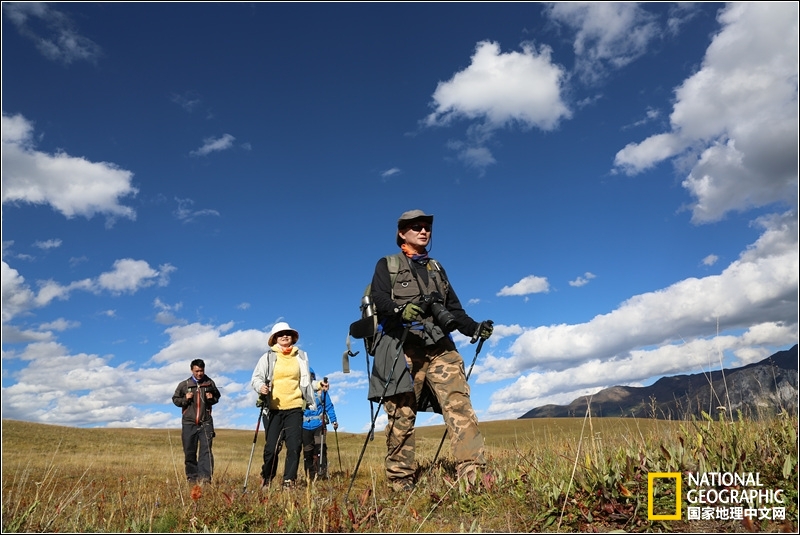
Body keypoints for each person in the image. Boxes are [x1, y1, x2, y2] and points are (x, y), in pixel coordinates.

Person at [367, 209, 493, 492]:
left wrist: (474, 328)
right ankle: (400, 480)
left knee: (459, 407)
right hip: (402, 347)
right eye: (416, 227)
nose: (423, 231)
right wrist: (400, 310)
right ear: (402, 233)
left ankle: (473, 478)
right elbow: (379, 298)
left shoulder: (436, 268)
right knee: (402, 413)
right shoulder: (387, 264)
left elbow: (454, 310)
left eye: (426, 227)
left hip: (440, 347)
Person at [251, 321, 316, 489]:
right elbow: (256, 378)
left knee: (294, 446)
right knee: (271, 449)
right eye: (280, 334)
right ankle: (267, 477)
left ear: (293, 337)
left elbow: (306, 381)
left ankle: (289, 481)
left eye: (287, 333)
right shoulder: (268, 357)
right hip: (273, 409)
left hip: (294, 407)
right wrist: (261, 387)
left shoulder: (301, 356)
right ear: (274, 339)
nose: (284, 336)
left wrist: (316, 389)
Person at [171, 359, 221, 484]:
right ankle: (192, 478)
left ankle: (205, 479)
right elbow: (175, 400)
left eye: (201, 371)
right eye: (197, 371)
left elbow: (217, 397)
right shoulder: (184, 385)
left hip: (206, 422)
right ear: (192, 370)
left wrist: (211, 398)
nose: (199, 373)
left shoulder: (209, 383)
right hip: (189, 422)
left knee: (206, 451)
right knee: (189, 451)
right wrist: (185, 399)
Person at [302, 369, 339, 480]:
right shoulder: (300, 391)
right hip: (304, 426)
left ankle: (322, 473)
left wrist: (334, 420)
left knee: (320, 449)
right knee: (307, 452)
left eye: (312, 375)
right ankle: (310, 475)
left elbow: (328, 406)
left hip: (319, 424)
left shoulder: (321, 391)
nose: (310, 378)